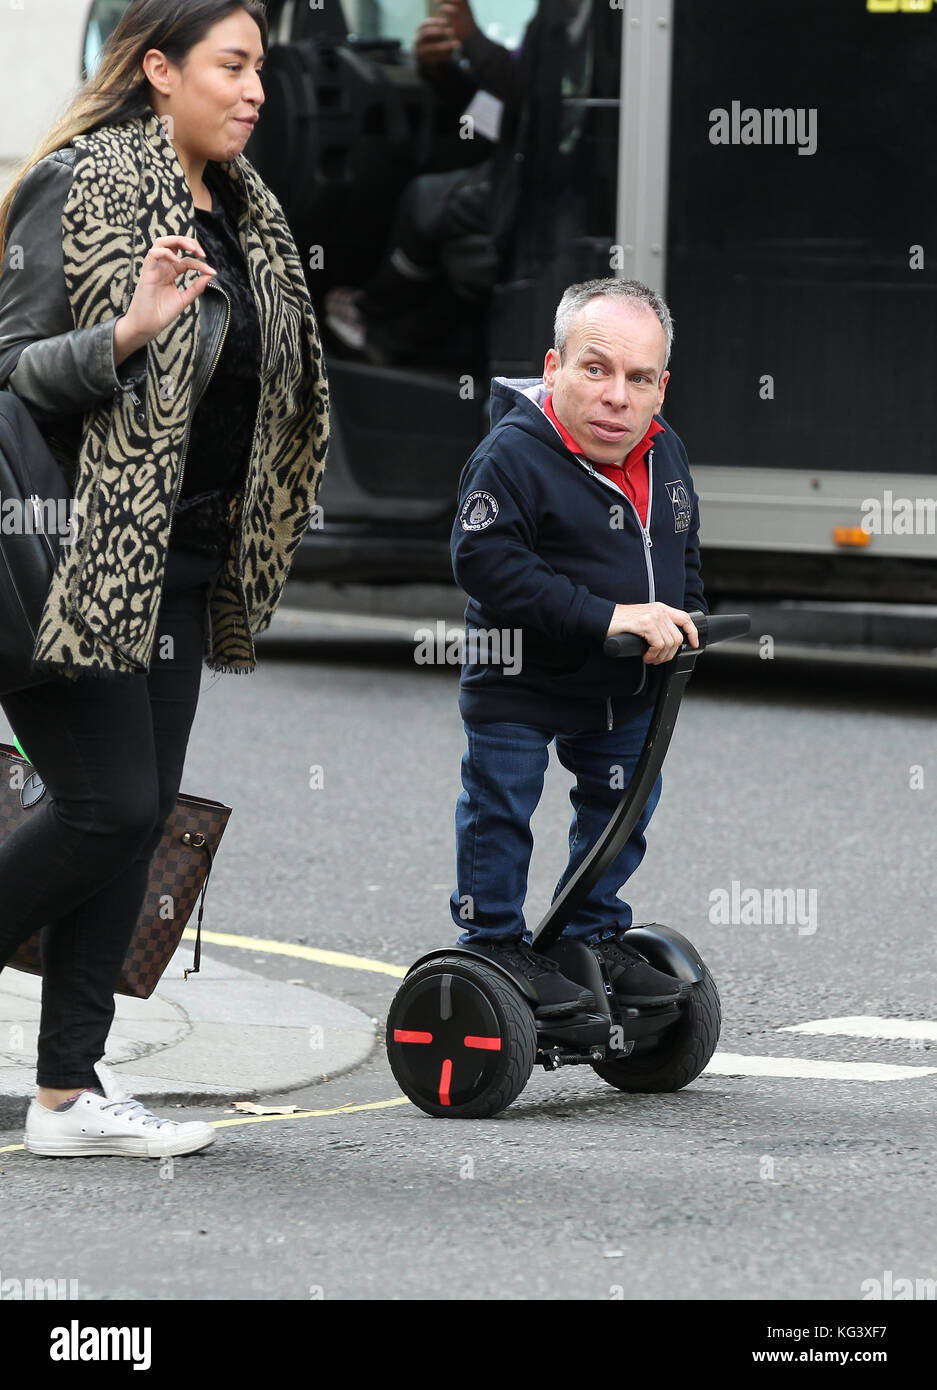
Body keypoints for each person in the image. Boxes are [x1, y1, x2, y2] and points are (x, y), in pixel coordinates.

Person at [0, 0, 329, 1158]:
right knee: (111, 805)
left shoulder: (247, 213)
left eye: (260, 71)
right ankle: (71, 1088)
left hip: (182, 564)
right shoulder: (79, 186)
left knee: (128, 833)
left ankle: (69, 1096)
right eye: (232, 66)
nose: (254, 91)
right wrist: (127, 333)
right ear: (157, 70)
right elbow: (9, 370)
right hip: (66, 556)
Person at [448, 278, 705, 1017]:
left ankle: (588, 935)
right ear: (553, 367)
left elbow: (681, 551)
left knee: (621, 808)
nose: (615, 397)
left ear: (661, 388)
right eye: (595, 370)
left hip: (623, 684)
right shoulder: (512, 456)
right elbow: (487, 564)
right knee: (500, 804)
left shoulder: (664, 454)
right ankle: (492, 941)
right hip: (519, 676)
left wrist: (688, 618)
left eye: (638, 379)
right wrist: (605, 616)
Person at [325, 0, 594, 364]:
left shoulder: (598, 26)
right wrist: (443, 73)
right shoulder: (553, 18)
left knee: (427, 200)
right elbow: (504, 119)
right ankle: (389, 333)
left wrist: (472, 39)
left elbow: (533, 100)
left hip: (552, 196)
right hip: (524, 174)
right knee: (444, 228)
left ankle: (374, 315)